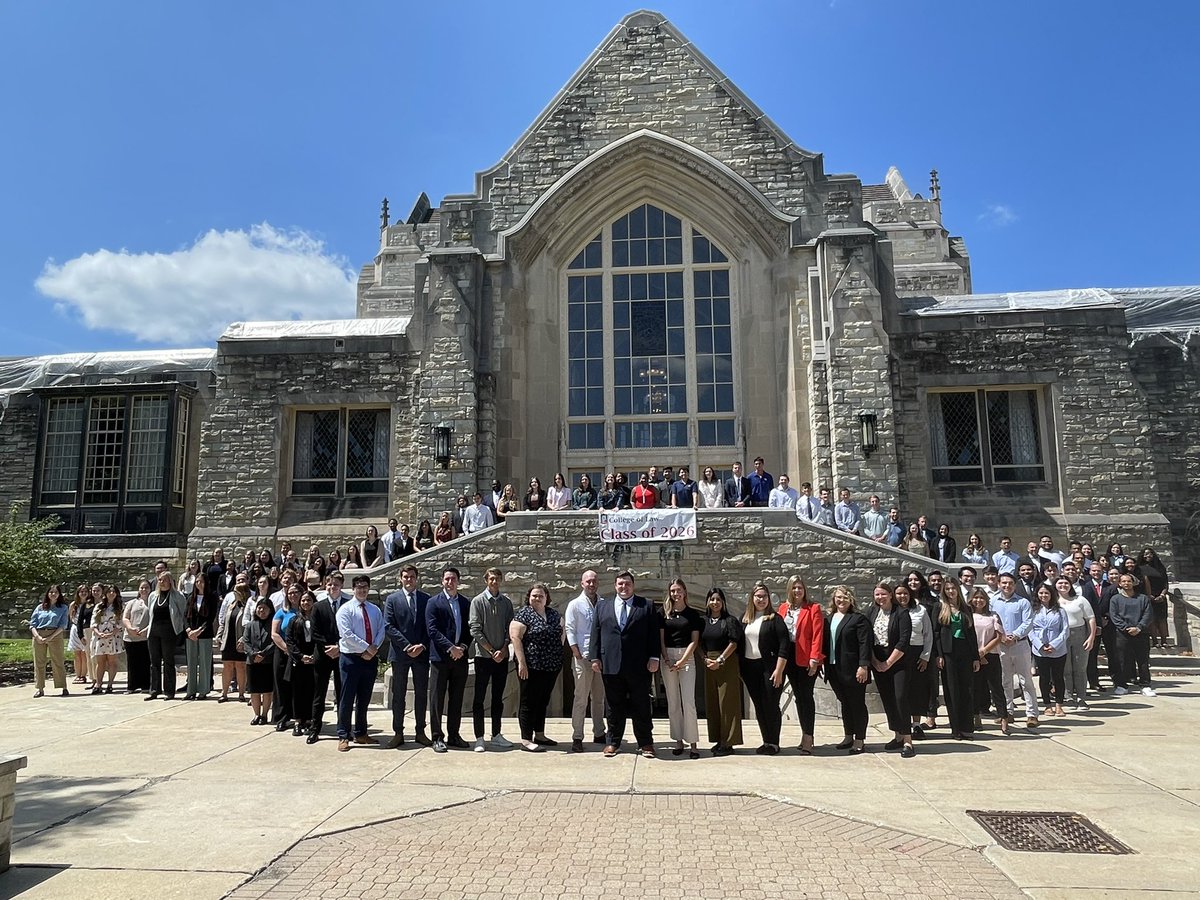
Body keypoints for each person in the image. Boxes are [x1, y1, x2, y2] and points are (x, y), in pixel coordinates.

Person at [589, 571, 660, 759]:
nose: (623, 587)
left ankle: (645, 743)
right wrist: (594, 658)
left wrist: (654, 657)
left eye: (627, 584)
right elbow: (595, 632)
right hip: (610, 665)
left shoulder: (647, 606)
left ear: (633, 585)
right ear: (615, 586)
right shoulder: (602, 606)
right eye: (620, 584)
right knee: (613, 706)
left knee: (641, 705)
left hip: (639, 666)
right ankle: (613, 742)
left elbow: (653, 635)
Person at [333, 574, 385, 751]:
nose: (362, 590)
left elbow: (381, 630)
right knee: (347, 698)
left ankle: (361, 733)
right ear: (353, 589)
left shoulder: (375, 610)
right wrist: (366, 648)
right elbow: (346, 634)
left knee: (364, 698)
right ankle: (343, 735)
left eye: (365, 587)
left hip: (370, 659)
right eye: (359, 587)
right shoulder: (345, 610)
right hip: (351, 659)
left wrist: (374, 648)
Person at [510, 583, 564, 752]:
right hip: (530, 666)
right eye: (534, 595)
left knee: (543, 700)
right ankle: (526, 740)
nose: (537, 598)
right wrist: (522, 663)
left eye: (541, 595)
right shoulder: (524, 614)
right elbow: (515, 637)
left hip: (551, 666)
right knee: (528, 701)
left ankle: (539, 734)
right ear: (529, 597)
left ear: (547, 598)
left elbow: (562, 633)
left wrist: (556, 654)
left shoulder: (553, 614)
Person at [383, 564, 432, 748]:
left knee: (421, 694)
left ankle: (420, 731)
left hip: (421, 654)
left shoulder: (426, 599)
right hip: (400, 654)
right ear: (400, 578)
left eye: (412, 576)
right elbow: (389, 626)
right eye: (405, 577)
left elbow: (430, 626)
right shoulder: (392, 599)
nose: (409, 580)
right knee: (399, 695)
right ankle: (398, 732)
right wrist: (407, 646)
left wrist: (421, 646)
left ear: (417, 578)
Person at [740, 582, 790, 756]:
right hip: (750, 668)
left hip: (769, 668)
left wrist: (779, 670)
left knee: (771, 705)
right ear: (752, 598)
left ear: (769, 599)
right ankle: (765, 741)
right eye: (758, 596)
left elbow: (784, 646)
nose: (761, 600)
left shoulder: (775, 619)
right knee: (759, 706)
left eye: (764, 596)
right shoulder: (745, 619)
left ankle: (774, 743)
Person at [469, 568, 516, 752]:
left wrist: (503, 648)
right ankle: (479, 737)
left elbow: (509, 627)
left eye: (497, 578)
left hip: (501, 658)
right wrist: (490, 650)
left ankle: (496, 734)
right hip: (483, 657)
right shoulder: (478, 602)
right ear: (486, 580)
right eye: (491, 579)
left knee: (498, 698)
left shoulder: (506, 603)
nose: (494, 581)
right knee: (479, 698)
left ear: (501, 580)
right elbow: (475, 629)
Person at [426, 566, 472, 753]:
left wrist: (461, 647)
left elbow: (470, 629)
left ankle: (454, 734)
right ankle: (437, 737)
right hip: (440, 658)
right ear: (442, 581)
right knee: (437, 698)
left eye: (453, 579)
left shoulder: (465, 603)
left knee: (456, 698)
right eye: (447, 579)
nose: (450, 582)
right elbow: (432, 630)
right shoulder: (433, 603)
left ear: (458, 581)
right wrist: (450, 647)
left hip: (460, 658)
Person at [778, 575, 824, 754]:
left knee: (806, 697)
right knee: (798, 697)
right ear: (789, 589)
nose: (797, 591)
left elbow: (817, 635)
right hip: (787, 657)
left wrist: (815, 659)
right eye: (794, 587)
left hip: (806, 658)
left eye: (800, 587)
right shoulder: (783, 608)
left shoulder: (813, 608)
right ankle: (804, 733)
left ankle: (808, 736)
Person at [867, 582, 914, 756]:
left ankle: (908, 741)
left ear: (890, 594)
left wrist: (888, 663)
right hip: (878, 660)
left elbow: (903, 640)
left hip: (898, 661)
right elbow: (867, 638)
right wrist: (875, 661)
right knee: (888, 699)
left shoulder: (901, 613)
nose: (880, 598)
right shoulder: (872, 612)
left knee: (900, 697)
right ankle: (898, 735)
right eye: (877, 595)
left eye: (883, 594)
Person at [823, 585, 871, 754]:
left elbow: (865, 643)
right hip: (834, 668)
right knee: (845, 703)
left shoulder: (858, 619)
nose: (841, 600)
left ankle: (860, 739)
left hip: (854, 669)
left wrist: (863, 666)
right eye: (838, 597)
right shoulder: (828, 619)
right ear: (833, 599)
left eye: (844, 597)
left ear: (850, 600)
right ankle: (848, 735)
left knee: (857, 704)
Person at [659, 579, 702, 759]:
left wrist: (683, 660)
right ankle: (678, 741)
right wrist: (667, 658)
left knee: (688, 702)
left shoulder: (693, 614)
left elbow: (695, 640)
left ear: (684, 591)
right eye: (672, 591)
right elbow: (660, 639)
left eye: (678, 590)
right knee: (673, 701)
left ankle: (693, 743)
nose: (675, 594)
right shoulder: (664, 613)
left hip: (687, 657)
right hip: (667, 657)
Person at [992, 572, 1040, 728]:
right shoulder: (993, 601)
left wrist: (1015, 635)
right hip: (1001, 645)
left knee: (1025, 680)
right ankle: (1008, 712)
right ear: (999, 584)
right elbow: (991, 621)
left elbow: (1028, 622)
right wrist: (1002, 637)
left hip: (1019, 645)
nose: (1007, 586)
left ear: (1014, 585)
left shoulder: (1023, 602)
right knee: (1005, 680)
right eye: (1004, 583)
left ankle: (1032, 714)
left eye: (1010, 583)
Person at [566, 569, 607, 752]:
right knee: (581, 699)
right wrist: (575, 652)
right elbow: (569, 629)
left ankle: (599, 732)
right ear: (582, 583)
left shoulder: (605, 603)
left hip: (600, 658)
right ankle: (577, 736)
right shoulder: (575, 605)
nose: (591, 584)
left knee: (599, 698)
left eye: (594, 581)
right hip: (582, 657)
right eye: (588, 581)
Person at [935, 577, 980, 739]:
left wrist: (976, 657)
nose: (950, 591)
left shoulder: (966, 607)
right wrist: (939, 655)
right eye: (947, 589)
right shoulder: (940, 607)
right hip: (948, 653)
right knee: (952, 690)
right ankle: (955, 729)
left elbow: (972, 633)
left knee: (966, 690)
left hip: (965, 652)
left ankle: (967, 727)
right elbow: (936, 634)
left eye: (953, 588)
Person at [700, 587, 743, 756]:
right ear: (708, 602)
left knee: (727, 702)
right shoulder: (703, 621)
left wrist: (720, 660)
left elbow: (733, 643)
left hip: (726, 662)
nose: (715, 603)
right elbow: (698, 643)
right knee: (713, 703)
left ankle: (728, 742)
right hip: (708, 663)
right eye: (712, 599)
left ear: (723, 602)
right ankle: (718, 739)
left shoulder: (730, 620)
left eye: (718, 599)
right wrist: (704, 659)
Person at [307, 572, 347, 743]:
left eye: (336, 584)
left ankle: (343, 729)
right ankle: (315, 729)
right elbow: (314, 632)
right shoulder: (318, 606)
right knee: (319, 694)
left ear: (341, 586)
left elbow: (350, 630)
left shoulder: (347, 605)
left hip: (342, 654)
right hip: (322, 655)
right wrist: (328, 648)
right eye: (329, 584)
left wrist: (339, 647)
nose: (333, 587)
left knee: (342, 693)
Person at [893, 583, 934, 740]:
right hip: (898, 654)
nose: (902, 596)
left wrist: (925, 656)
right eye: (899, 593)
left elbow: (928, 634)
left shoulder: (920, 610)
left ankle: (916, 725)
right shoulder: (893, 611)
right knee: (901, 693)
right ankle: (901, 727)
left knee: (917, 690)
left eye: (905, 593)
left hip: (916, 653)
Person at [969, 589, 1009, 734]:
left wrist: (984, 651)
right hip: (973, 656)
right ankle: (976, 717)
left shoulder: (993, 615)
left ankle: (1004, 718)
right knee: (975, 688)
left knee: (996, 688)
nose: (979, 600)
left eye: (982, 598)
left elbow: (999, 636)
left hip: (991, 655)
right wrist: (977, 654)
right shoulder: (968, 615)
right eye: (976, 598)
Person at [1109, 572, 1155, 697]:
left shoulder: (1143, 598)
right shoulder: (1115, 599)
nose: (1126, 583)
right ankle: (1122, 685)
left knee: (1143, 661)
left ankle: (1145, 685)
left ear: (1133, 582)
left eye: (1128, 581)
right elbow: (1114, 616)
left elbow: (1148, 614)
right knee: (1122, 660)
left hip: (1141, 633)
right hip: (1123, 634)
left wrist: (1139, 627)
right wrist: (1126, 628)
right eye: (1123, 581)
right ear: (1119, 583)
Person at [1056, 576, 1097, 709]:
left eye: (1066, 583)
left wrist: (1091, 637)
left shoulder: (1080, 599)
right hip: (1060, 636)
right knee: (1065, 669)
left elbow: (1091, 619)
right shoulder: (1053, 600)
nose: (1063, 585)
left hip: (1079, 634)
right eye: (1060, 583)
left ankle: (1081, 698)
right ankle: (1068, 697)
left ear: (1071, 585)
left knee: (1080, 668)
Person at [1030, 584, 1070, 716]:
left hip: (1057, 650)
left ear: (1051, 594)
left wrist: (1054, 644)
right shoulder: (1033, 610)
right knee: (1044, 677)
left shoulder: (1060, 611)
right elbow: (1030, 630)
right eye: (1041, 593)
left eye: (1046, 593)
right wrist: (1040, 645)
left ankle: (1059, 704)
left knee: (1058, 677)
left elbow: (1065, 630)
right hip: (1040, 650)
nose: (1043, 596)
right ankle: (1047, 705)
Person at [145, 572, 185, 701]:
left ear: (170, 581)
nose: (162, 582)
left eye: (165, 580)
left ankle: (169, 691)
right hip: (154, 632)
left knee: (168, 661)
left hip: (169, 632)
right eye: (160, 580)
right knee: (154, 661)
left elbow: (182, 613)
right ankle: (154, 690)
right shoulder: (153, 596)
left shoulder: (177, 596)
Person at [285, 590, 320, 737]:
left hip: (314, 660)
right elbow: (289, 641)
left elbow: (321, 639)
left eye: (309, 600)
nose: (306, 603)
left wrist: (314, 656)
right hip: (298, 662)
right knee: (297, 693)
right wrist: (300, 656)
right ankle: (298, 721)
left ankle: (309, 720)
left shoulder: (318, 619)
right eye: (303, 600)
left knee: (311, 691)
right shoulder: (294, 620)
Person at [216, 573, 251, 704]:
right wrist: (219, 635)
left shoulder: (248, 605)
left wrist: (243, 639)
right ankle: (224, 693)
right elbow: (224, 621)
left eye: (236, 591)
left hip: (240, 640)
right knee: (227, 666)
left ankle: (241, 693)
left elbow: (249, 624)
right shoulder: (231, 604)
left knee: (240, 666)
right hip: (228, 639)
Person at [269, 584, 301, 728]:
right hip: (282, 653)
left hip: (300, 653)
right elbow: (274, 633)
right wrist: (286, 649)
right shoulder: (281, 612)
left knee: (297, 686)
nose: (293, 595)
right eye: (290, 593)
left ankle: (299, 716)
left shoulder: (305, 611)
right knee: (280, 684)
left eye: (296, 592)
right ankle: (282, 717)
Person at [30, 585, 69, 698]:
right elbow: (33, 624)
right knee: (39, 662)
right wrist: (37, 637)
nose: (53, 594)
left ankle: (63, 687)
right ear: (47, 594)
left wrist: (51, 637)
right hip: (39, 634)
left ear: (59, 594)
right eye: (51, 592)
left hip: (55, 634)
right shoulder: (40, 607)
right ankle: (40, 688)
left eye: (56, 592)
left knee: (58, 661)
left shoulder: (63, 608)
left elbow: (63, 625)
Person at [183, 573, 218, 701]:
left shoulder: (212, 597)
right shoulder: (190, 598)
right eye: (197, 581)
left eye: (201, 581)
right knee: (191, 662)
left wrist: (199, 630)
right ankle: (190, 690)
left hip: (204, 634)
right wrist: (188, 630)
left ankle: (203, 690)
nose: (199, 584)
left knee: (204, 662)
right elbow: (185, 615)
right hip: (190, 634)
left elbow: (210, 618)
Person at [243, 597, 276, 725]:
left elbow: (274, 642)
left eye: (264, 608)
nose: (261, 611)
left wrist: (264, 653)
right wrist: (253, 654)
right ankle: (256, 714)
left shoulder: (273, 624)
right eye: (259, 608)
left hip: (267, 661)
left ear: (270, 610)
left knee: (267, 690)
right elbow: (246, 641)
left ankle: (264, 714)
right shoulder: (250, 625)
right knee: (254, 690)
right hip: (252, 662)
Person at [87, 585, 123, 695]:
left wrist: (112, 633)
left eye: (113, 592)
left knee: (112, 661)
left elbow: (121, 623)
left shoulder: (120, 607)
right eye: (109, 592)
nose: (111, 593)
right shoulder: (99, 606)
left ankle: (110, 684)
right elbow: (93, 623)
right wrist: (99, 633)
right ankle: (98, 684)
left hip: (113, 636)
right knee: (100, 661)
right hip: (100, 636)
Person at [122, 579, 152, 695]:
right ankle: (132, 686)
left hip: (145, 637)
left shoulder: (153, 602)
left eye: (146, 588)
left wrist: (146, 630)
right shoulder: (131, 603)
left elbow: (154, 619)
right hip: (130, 637)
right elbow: (125, 617)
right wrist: (130, 628)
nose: (144, 590)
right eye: (142, 588)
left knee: (145, 662)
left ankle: (145, 686)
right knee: (132, 662)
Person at [1139, 548, 1170, 649]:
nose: (1148, 556)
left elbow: (1165, 583)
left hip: (1161, 596)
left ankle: (1164, 640)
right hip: (1148, 597)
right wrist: (1149, 595)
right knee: (1151, 620)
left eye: (1150, 553)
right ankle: (1155, 641)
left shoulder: (1160, 568)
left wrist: (1162, 595)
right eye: (1145, 554)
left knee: (1162, 619)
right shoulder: (1141, 568)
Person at [67, 584, 91, 686]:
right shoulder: (74, 604)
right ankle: (78, 675)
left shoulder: (90, 604)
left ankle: (83, 675)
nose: (83, 593)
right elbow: (71, 617)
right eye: (81, 591)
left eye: (85, 591)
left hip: (85, 629)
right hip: (75, 628)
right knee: (77, 653)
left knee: (84, 653)